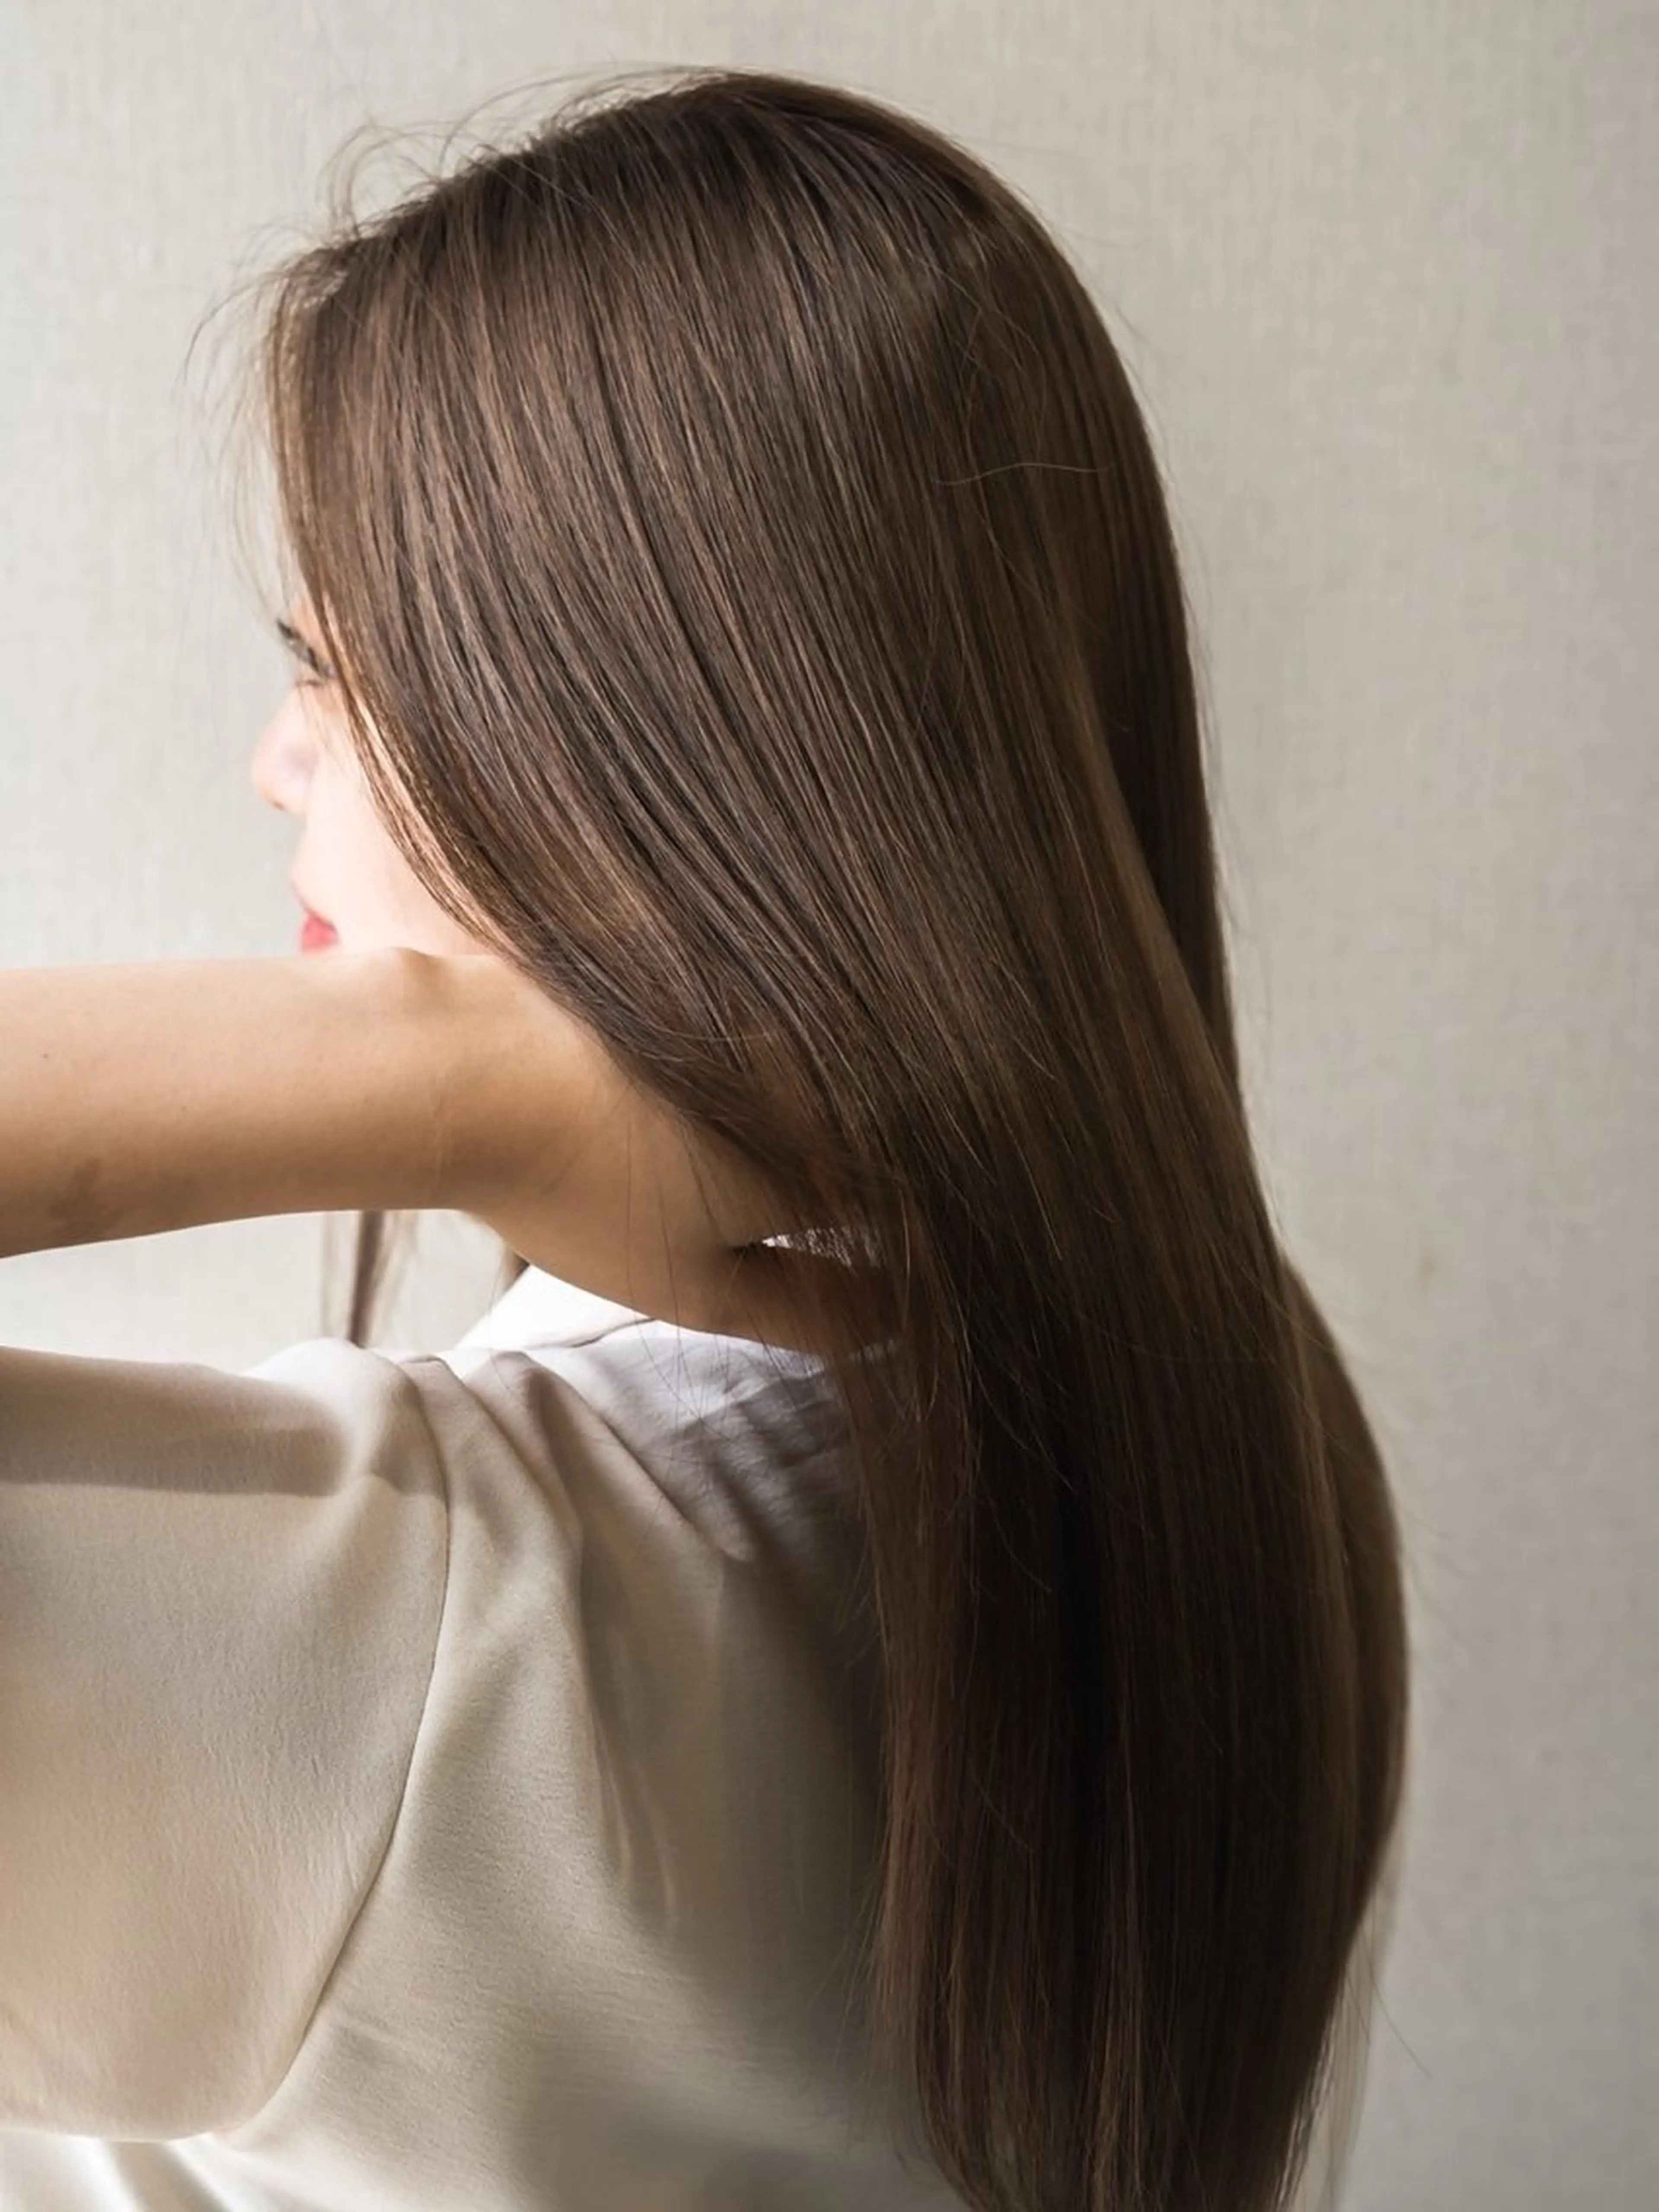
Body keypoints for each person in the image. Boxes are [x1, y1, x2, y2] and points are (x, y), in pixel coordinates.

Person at [0, 64, 1411, 2212]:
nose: (276, 760)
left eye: (337, 671)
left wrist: (430, 1074)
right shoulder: (1233, 1385)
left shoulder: (407, 1617)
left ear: (621, 760)